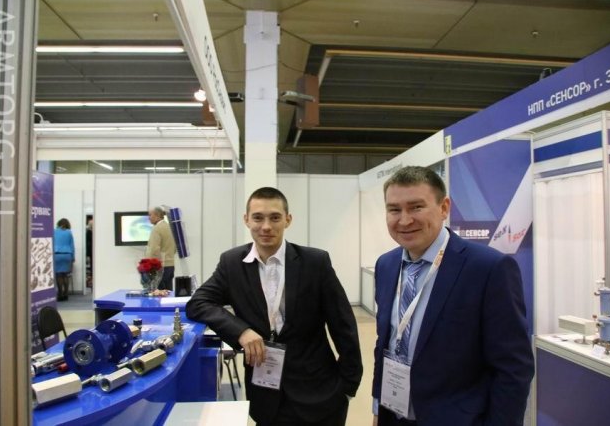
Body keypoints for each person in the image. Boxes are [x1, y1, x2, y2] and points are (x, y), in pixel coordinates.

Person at [372, 166, 534, 426]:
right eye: (394, 210)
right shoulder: (386, 265)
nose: (404, 220)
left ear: (444, 207)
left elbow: (513, 368)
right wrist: (378, 406)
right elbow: (386, 342)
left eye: (416, 207)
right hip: (394, 415)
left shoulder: (488, 268)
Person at [187, 187, 363, 426]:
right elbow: (198, 302)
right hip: (266, 397)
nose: (266, 226)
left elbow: (344, 326)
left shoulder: (315, 262)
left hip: (320, 394)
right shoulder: (232, 263)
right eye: (258, 218)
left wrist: (347, 388)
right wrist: (241, 331)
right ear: (246, 220)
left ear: (288, 220)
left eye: (275, 218)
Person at [146, 206, 177, 291]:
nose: (149, 218)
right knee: (168, 293)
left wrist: (150, 267)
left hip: (159, 268)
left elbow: (154, 250)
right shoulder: (169, 227)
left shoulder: (157, 228)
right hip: (170, 266)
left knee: (158, 294)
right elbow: (174, 248)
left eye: (150, 215)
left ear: (157, 215)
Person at [53, 218, 75, 301]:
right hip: (67, 255)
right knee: (65, 275)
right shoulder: (69, 233)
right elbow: (72, 246)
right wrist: (73, 257)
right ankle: (66, 294)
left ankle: (60, 294)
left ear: (59, 223)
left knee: (58, 275)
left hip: (57, 255)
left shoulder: (54, 231)